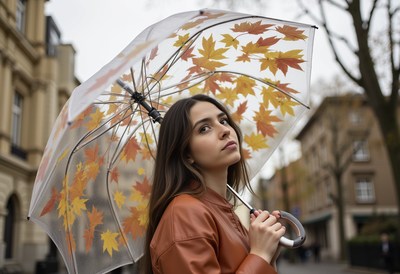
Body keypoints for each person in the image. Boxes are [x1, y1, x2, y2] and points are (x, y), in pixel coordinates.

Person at [142, 94, 285, 274]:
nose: (225, 130)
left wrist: (268, 256)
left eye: (223, 121)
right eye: (204, 128)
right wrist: (259, 255)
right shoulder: (185, 215)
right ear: (187, 154)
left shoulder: (221, 211)